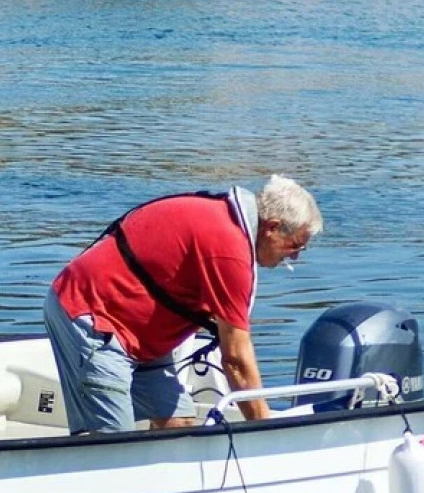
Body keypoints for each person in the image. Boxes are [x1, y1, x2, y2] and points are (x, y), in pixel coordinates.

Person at [44, 175, 322, 433]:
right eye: (295, 246)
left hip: (139, 332)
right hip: (92, 316)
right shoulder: (230, 251)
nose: (295, 257)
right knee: (113, 443)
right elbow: (236, 359)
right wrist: (265, 433)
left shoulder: (224, 219)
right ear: (272, 228)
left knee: (179, 424)